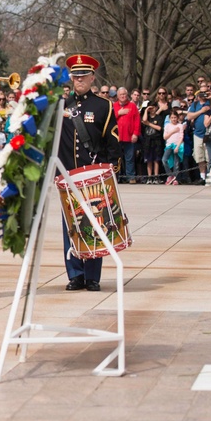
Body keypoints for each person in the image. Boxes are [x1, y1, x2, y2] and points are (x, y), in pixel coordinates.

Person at [59, 54, 119, 292]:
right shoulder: (62, 105)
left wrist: (111, 168)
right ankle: (75, 274)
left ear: (92, 77)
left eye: (84, 75)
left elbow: (112, 141)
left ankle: (93, 276)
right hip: (68, 175)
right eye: (76, 75)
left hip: (92, 174)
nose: (79, 79)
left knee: (95, 223)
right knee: (70, 225)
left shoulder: (103, 105)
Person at [113, 87, 140, 184]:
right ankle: (117, 177)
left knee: (130, 158)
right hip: (117, 137)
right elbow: (110, 119)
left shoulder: (132, 106)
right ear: (117, 96)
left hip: (129, 137)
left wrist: (135, 134)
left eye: (124, 94)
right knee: (117, 159)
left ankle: (130, 177)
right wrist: (118, 113)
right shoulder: (114, 106)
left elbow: (137, 121)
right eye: (121, 95)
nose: (123, 96)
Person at [142, 88, 169, 183]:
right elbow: (144, 120)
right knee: (148, 159)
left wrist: (149, 124)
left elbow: (159, 128)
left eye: (153, 107)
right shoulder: (147, 116)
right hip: (148, 140)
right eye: (150, 108)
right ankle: (149, 177)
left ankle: (156, 176)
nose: (152, 109)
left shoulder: (159, 117)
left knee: (156, 159)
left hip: (156, 140)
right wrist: (146, 111)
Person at [162, 111, 185, 185]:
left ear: (177, 118)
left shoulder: (180, 125)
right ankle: (170, 175)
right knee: (164, 160)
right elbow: (165, 137)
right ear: (169, 118)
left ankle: (176, 178)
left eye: (175, 117)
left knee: (176, 163)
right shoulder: (167, 126)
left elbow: (181, 137)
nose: (174, 119)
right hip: (169, 145)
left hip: (177, 145)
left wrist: (177, 147)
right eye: (172, 118)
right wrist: (173, 131)